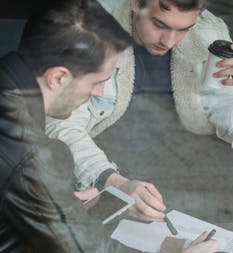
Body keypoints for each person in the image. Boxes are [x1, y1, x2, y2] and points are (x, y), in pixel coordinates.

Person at [0, 0, 219, 253]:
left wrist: (75, 206)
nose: (100, 93)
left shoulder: (10, 91)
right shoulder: (26, 151)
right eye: (98, 81)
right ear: (58, 77)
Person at [46, 0, 233, 222]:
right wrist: (113, 182)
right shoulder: (88, 29)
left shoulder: (210, 33)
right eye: (159, 24)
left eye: (184, 30)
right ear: (135, 3)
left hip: (194, 176)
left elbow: (222, 109)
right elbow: (60, 123)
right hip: (105, 170)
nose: (169, 42)